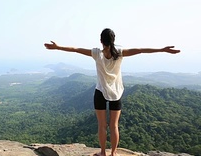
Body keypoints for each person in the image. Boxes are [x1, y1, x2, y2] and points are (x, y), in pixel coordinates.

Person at [44, 28, 180, 156]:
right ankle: (113, 153)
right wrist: (162, 50)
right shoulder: (120, 52)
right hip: (116, 93)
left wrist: (58, 47)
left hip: (100, 92)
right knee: (114, 125)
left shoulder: (96, 53)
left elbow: (75, 50)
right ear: (113, 39)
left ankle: (103, 152)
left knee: (102, 124)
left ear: (101, 40)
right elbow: (140, 50)